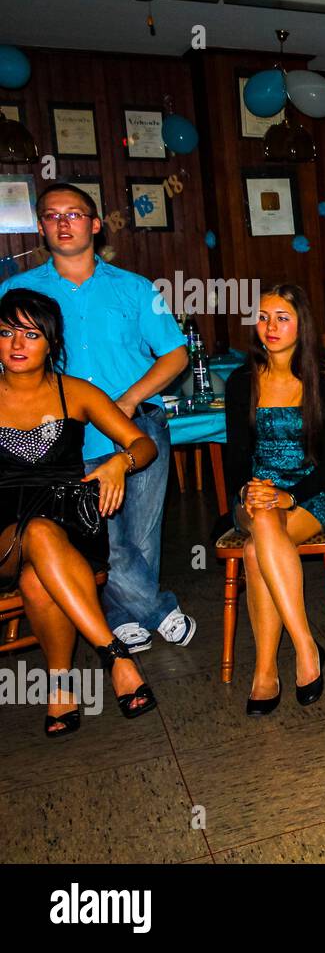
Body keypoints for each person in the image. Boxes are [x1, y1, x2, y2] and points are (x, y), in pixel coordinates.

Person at [0, 183, 194, 655]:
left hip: (135, 424)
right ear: (41, 227)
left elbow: (175, 356)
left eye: (74, 214)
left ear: (94, 224)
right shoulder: (16, 291)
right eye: (52, 215)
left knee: (143, 532)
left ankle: (125, 614)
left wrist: (127, 400)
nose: (63, 223)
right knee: (99, 533)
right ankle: (152, 610)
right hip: (60, 436)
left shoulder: (134, 288)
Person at [0, 288, 159, 735]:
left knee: (39, 574)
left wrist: (118, 463)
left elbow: (143, 444)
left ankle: (60, 686)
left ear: (52, 343)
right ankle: (115, 656)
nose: (16, 344)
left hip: (72, 524)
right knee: (36, 535)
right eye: (6, 332)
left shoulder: (77, 392)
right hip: (5, 533)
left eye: (30, 334)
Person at [224, 285, 325, 715]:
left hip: (315, 490)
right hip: (258, 492)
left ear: (300, 323)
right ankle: (305, 645)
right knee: (262, 521)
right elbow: (236, 458)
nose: (270, 327)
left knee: (254, 550)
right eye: (263, 317)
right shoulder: (241, 380)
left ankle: (265, 670)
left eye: (282, 317)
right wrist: (250, 490)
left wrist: (291, 496)